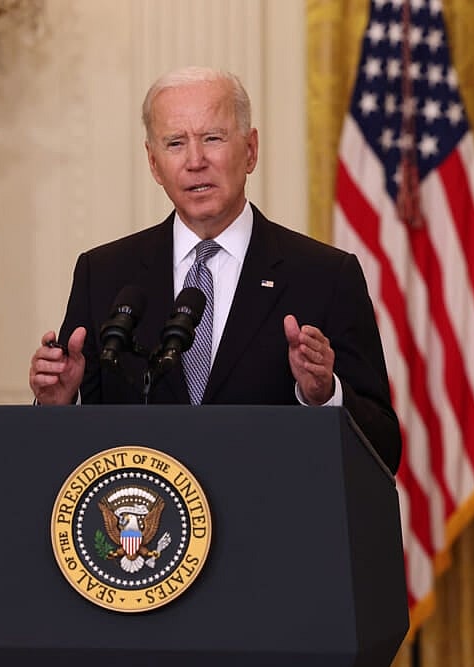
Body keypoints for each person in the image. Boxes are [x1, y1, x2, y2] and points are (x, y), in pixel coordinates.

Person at [28, 66, 401, 475]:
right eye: (175, 143)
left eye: (212, 138)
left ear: (251, 151)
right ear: (154, 164)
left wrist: (324, 396)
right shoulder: (102, 275)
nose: (195, 161)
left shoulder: (325, 276)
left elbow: (383, 448)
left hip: (274, 529)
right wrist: (60, 404)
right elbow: (67, 461)